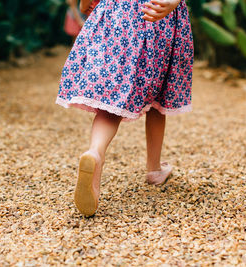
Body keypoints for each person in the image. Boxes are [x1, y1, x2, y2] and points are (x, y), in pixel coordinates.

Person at [56, 0, 194, 216]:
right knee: (159, 96)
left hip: (116, 14)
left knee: (111, 104)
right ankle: (154, 169)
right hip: (157, 15)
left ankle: (95, 152)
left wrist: (84, 3)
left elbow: (85, 4)